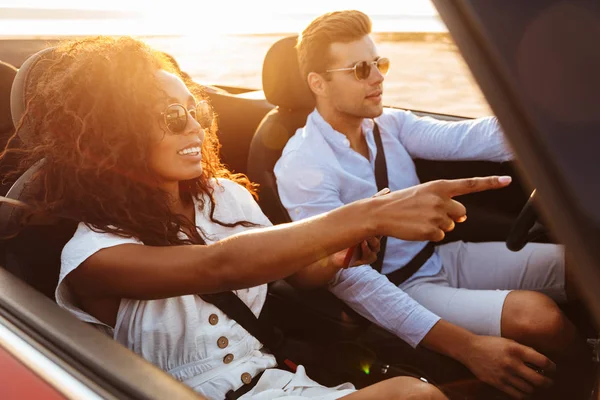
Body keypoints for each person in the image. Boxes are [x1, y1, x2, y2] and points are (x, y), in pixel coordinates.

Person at [2, 36, 524, 400]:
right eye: (167, 116)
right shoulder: (93, 254)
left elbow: (293, 273)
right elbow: (218, 268)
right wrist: (369, 214)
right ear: (109, 133)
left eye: (195, 108)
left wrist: (332, 258)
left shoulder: (223, 197)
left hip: (275, 381)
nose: (194, 126)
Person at [274, 10, 585, 399]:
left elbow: (469, 139)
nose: (378, 77)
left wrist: (558, 109)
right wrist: (466, 347)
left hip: (439, 257)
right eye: (359, 69)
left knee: (585, 265)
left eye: (379, 63)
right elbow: (350, 279)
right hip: (399, 286)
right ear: (318, 83)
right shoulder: (304, 165)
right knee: (540, 318)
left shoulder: (389, 124)